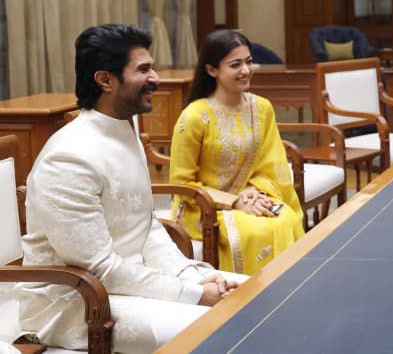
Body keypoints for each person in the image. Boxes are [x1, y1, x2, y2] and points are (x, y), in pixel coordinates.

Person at [18, 24, 242, 353]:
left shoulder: (125, 127)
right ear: (105, 80)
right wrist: (191, 294)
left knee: (253, 294)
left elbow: (144, 225)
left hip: (127, 283)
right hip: (76, 302)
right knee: (226, 328)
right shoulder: (68, 157)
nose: (156, 78)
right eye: (144, 69)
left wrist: (191, 276)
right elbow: (99, 268)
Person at [169, 30, 303, 275]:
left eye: (249, 62)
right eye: (235, 64)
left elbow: (272, 164)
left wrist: (254, 192)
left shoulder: (261, 108)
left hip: (251, 195)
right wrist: (234, 202)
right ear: (212, 70)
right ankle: (247, 299)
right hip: (204, 208)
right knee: (256, 231)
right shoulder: (195, 117)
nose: (245, 70)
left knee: (287, 218)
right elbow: (181, 183)